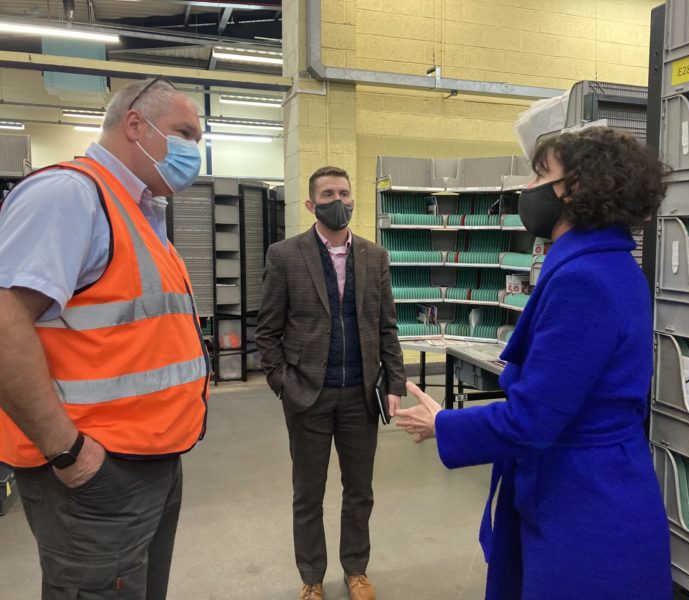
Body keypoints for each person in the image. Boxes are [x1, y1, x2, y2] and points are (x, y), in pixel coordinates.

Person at [396, 127, 673, 600]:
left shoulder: (584, 280)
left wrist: (444, 423)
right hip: (592, 487)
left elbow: (534, 419)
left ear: (576, 188)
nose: (528, 188)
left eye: (540, 174)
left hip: (584, 507)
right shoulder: (610, 266)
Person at [0, 76, 209, 600]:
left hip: (151, 460)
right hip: (93, 472)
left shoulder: (140, 212)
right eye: (184, 133)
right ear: (135, 125)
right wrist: (69, 453)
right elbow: (4, 323)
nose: (193, 151)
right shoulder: (70, 195)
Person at [255, 166, 406, 600]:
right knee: (309, 492)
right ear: (310, 204)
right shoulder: (285, 256)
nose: (336, 199)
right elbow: (267, 330)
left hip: (361, 394)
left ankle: (356, 570)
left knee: (360, 490)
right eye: (327, 193)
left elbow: (386, 327)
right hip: (307, 394)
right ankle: (312, 577)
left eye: (343, 192)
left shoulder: (375, 257)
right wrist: (282, 382)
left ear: (353, 199)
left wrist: (393, 383)